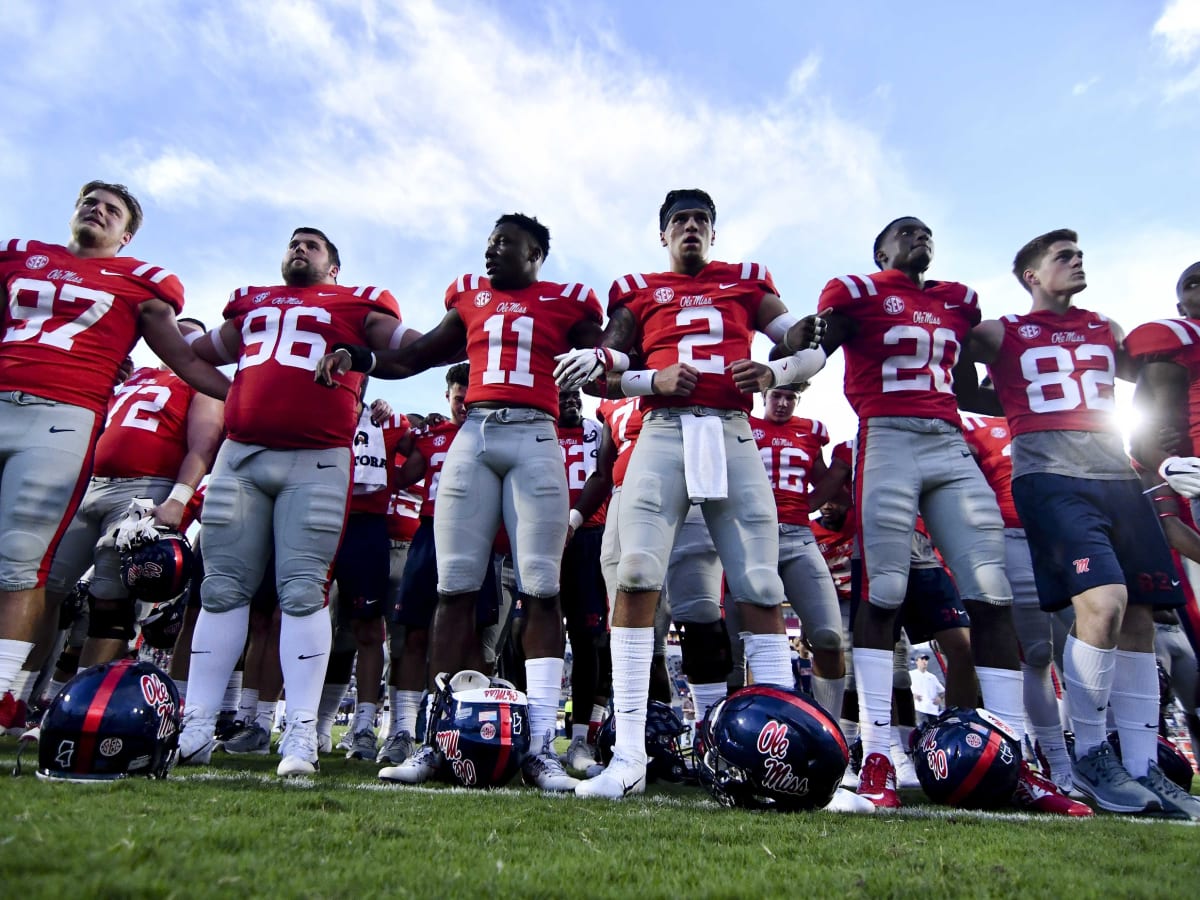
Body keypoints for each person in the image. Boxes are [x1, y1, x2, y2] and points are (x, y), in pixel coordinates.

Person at [319, 214, 605, 792]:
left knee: (542, 588)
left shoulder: (569, 301)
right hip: (473, 434)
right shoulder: (470, 296)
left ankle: (541, 747)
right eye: (490, 242)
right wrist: (362, 357)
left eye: (506, 243)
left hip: (537, 433)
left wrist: (606, 357)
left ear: (537, 254)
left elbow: (606, 356)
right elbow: (420, 353)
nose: (492, 251)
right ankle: (440, 740)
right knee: (454, 586)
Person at [560, 189, 811, 800]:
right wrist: (652, 375)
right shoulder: (638, 288)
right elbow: (610, 367)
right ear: (664, 234)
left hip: (729, 429)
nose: (691, 228)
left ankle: (769, 750)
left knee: (759, 581)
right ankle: (628, 757)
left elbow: (803, 345)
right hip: (665, 427)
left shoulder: (748, 282)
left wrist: (777, 369)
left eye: (701, 220)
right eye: (680, 221)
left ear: (714, 234)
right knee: (638, 571)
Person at [785, 216, 1035, 811]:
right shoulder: (858, 290)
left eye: (926, 231)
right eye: (905, 232)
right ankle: (876, 754)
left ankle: (1011, 755)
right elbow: (819, 342)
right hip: (888, 434)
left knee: (990, 592)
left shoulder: (957, 301)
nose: (920, 237)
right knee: (882, 592)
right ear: (880, 251)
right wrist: (794, 342)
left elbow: (971, 387)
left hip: (948, 439)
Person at [961, 228, 1199, 819]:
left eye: (1079, 254)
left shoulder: (1106, 327)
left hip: (1117, 471)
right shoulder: (1001, 330)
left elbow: (1149, 385)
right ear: (1031, 276)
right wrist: (1013, 404)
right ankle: (1089, 754)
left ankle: (1142, 765)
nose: (1075, 261)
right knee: (1105, 603)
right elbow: (959, 378)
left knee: (1141, 615)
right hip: (1049, 476)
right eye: (1062, 256)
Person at [175, 227, 409, 778]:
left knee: (304, 590)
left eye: (313, 245)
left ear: (334, 267)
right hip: (243, 453)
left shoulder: (358, 302)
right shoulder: (252, 301)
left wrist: (362, 358)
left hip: (317, 457)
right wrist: (233, 393)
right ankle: (197, 725)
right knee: (222, 588)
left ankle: (301, 731)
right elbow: (190, 357)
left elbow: (414, 348)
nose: (298, 249)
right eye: (293, 243)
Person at [0, 181, 229, 730]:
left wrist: (257, 400)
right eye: (89, 202)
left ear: (126, 234)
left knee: (36, 567)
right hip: (56, 434)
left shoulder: (142, 285)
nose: (96, 211)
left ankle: (32, 698)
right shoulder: (18, 257)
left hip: (76, 431)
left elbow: (190, 383)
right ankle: (25, 694)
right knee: (46, 578)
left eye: (111, 209)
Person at [750, 383, 846, 720]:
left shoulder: (810, 431)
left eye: (791, 396)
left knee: (829, 638)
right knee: (746, 644)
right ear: (764, 396)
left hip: (797, 535)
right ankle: (756, 724)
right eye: (777, 395)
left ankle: (830, 729)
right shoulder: (743, 424)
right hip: (749, 538)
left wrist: (809, 504)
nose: (783, 402)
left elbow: (827, 483)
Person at [908, 654, 944, 726]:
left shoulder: (932, 677)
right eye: (922, 659)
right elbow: (902, 688)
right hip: (918, 709)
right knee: (921, 730)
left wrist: (940, 698)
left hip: (933, 710)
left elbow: (943, 691)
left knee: (933, 730)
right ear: (917, 661)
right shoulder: (911, 674)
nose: (924, 661)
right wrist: (912, 695)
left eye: (926, 660)